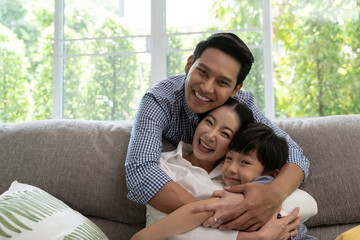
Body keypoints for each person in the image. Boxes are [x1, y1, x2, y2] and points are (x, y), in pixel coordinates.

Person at [125, 32, 310, 231]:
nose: (206, 88)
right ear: (189, 65)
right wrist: (219, 214)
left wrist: (271, 197)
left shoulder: (240, 105)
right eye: (203, 72)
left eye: (222, 82)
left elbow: (295, 155)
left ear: (235, 89)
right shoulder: (160, 99)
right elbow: (140, 170)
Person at [131, 120, 317, 240]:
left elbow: (203, 211)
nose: (231, 169)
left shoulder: (262, 185)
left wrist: (145, 236)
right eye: (229, 158)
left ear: (272, 174)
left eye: (245, 162)